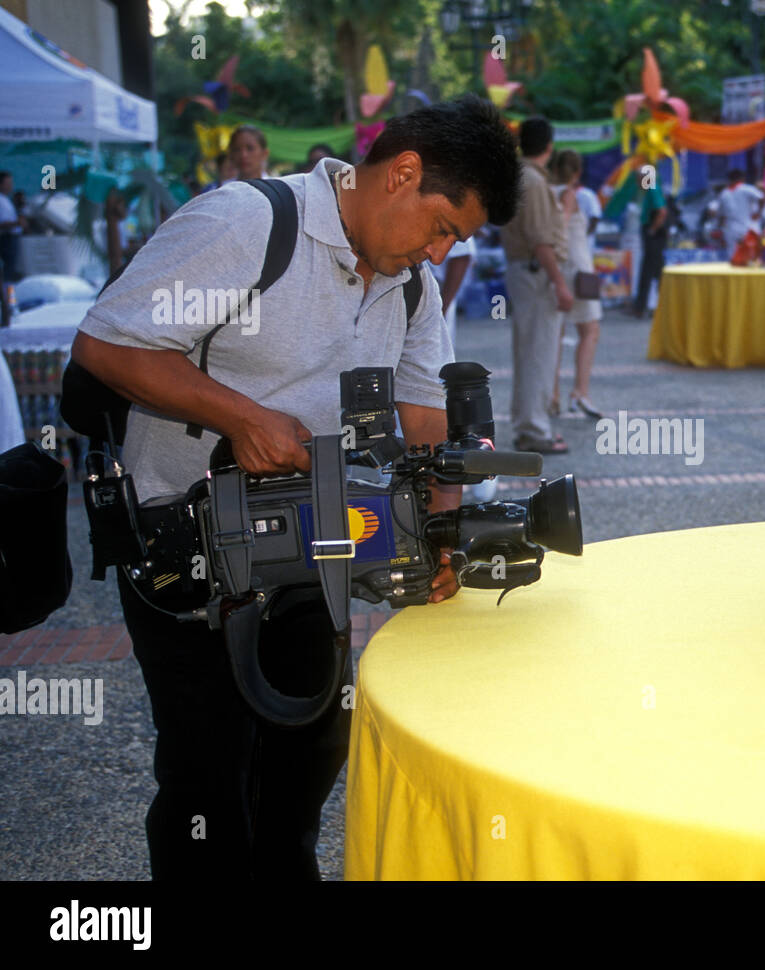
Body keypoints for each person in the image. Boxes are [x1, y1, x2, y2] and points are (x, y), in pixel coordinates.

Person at [68, 96, 521, 879]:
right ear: (403, 174)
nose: (441, 252)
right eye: (443, 226)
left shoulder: (411, 285)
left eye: (456, 240)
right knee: (207, 776)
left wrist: (443, 534)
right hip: (189, 548)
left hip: (320, 544)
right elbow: (107, 345)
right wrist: (241, 418)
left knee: (307, 753)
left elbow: (422, 419)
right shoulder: (249, 222)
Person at [501, 116, 573, 453]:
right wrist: (559, 282)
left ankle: (528, 422)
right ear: (549, 145)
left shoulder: (519, 177)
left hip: (525, 270)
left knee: (530, 350)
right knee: (539, 353)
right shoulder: (532, 180)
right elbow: (541, 240)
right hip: (536, 272)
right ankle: (534, 428)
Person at [547, 151, 603, 419]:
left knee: (556, 333)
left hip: (558, 268)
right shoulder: (568, 194)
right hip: (577, 268)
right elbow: (562, 224)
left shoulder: (546, 191)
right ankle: (579, 392)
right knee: (590, 330)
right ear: (577, 172)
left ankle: (554, 393)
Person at [632, 178, 668, 319]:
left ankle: (641, 307)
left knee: (649, 271)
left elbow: (662, 211)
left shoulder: (653, 189)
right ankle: (654, 306)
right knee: (656, 271)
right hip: (652, 233)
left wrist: (652, 230)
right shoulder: (649, 191)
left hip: (653, 235)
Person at [716, 169, 764, 253]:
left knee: (732, 257)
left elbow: (721, 215)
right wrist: (758, 213)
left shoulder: (723, 193)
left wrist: (720, 229)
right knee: (750, 255)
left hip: (730, 229)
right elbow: (762, 198)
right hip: (747, 227)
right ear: (742, 178)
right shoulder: (746, 189)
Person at [0, 171, 22, 326]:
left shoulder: (5, 200)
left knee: (10, 276)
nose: (11, 186)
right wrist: (17, 224)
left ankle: (10, 305)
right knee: (7, 277)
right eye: (8, 183)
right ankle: (9, 305)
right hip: (6, 239)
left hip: (11, 239)